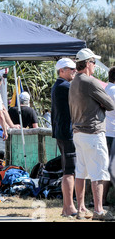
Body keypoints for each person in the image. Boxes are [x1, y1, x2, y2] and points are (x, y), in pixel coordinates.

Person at [69, 48, 115, 221]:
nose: (95, 66)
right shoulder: (90, 82)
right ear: (88, 63)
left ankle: (81, 209)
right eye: (94, 62)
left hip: (78, 132)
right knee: (99, 172)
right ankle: (98, 210)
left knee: (81, 171)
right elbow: (110, 105)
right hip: (93, 132)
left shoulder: (74, 82)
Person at [51, 58, 78, 217]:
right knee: (69, 171)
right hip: (67, 133)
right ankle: (69, 207)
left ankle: (66, 207)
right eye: (71, 69)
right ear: (62, 71)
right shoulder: (65, 86)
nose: (74, 71)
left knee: (68, 170)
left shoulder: (59, 86)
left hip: (62, 132)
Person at [105, 67, 115, 196]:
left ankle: (101, 199)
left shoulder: (105, 89)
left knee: (105, 167)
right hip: (113, 133)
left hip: (105, 131)